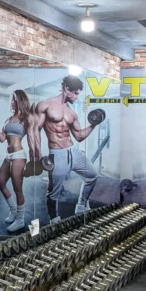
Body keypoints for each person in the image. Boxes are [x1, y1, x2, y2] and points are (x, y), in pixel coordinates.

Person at [28, 75, 102, 223]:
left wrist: (94, 124)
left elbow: (79, 136)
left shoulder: (71, 113)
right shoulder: (45, 105)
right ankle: (54, 221)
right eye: (75, 93)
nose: (76, 97)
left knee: (92, 176)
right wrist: (38, 156)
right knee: (53, 193)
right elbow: (34, 130)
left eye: (78, 94)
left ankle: (81, 205)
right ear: (67, 89)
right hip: (58, 155)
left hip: (73, 152)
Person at [0, 90, 32, 232]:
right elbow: (2, 138)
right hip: (8, 155)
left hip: (19, 155)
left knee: (18, 189)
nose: (12, 102)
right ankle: (13, 211)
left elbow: (32, 139)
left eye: (14, 99)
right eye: (11, 100)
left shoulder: (26, 119)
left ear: (20, 100)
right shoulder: (8, 119)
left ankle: (20, 220)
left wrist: (34, 160)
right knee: (0, 183)